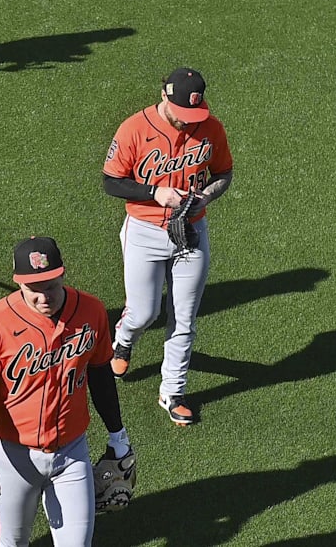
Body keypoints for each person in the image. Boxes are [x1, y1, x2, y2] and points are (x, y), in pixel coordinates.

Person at [0, 236, 134, 547]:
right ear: (18, 284)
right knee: (13, 542)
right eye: (33, 289)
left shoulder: (91, 311)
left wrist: (117, 434)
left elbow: (101, 376)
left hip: (72, 453)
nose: (44, 297)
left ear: (62, 274)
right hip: (13, 456)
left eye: (50, 286)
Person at [101, 67, 235, 425]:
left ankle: (172, 392)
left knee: (184, 319)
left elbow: (224, 173)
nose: (187, 121)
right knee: (144, 313)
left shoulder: (211, 128)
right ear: (164, 96)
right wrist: (154, 193)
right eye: (182, 113)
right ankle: (124, 340)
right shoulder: (134, 128)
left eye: (195, 113)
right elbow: (111, 181)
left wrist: (205, 196)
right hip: (144, 232)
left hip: (191, 233)